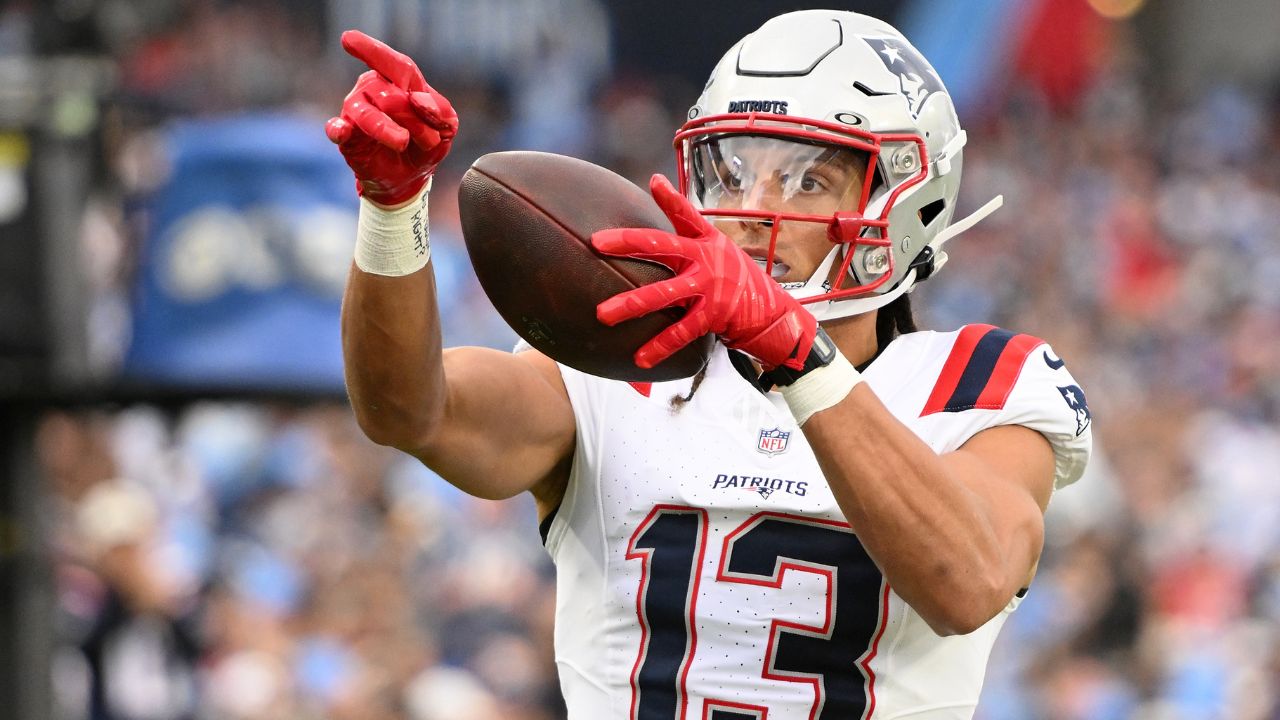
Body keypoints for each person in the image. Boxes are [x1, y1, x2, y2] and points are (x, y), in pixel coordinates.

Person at [328, 9, 1092, 720]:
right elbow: (406, 410)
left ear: (907, 201)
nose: (755, 208)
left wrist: (800, 360)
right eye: (732, 172)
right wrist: (393, 209)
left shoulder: (983, 383)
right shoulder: (625, 364)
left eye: (808, 179)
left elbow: (969, 582)